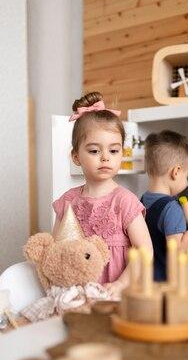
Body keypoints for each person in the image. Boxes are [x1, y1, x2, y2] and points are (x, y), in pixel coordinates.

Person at [52, 91, 152, 300]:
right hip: (77, 293)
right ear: (76, 156)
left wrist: (122, 283)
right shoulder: (68, 201)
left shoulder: (125, 201)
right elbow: (57, 249)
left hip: (116, 293)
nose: (105, 157)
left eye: (113, 151)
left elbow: (145, 251)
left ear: (121, 154)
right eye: (95, 151)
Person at [141, 130, 188, 289]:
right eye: (187, 176)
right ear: (176, 172)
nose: (187, 182)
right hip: (171, 285)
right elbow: (177, 247)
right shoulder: (172, 208)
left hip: (148, 281)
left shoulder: (142, 200)